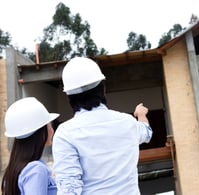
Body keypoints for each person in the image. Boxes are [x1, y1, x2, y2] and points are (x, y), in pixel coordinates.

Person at [52, 57, 153, 195]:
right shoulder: (127, 122)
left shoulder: (65, 134)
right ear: (103, 89)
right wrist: (141, 115)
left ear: (69, 97)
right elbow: (147, 133)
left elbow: (69, 189)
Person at [1, 97, 59, 195]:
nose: (52, 130)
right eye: (49, 125)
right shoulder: (36, 170)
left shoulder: (15, 168)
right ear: (40, 132)